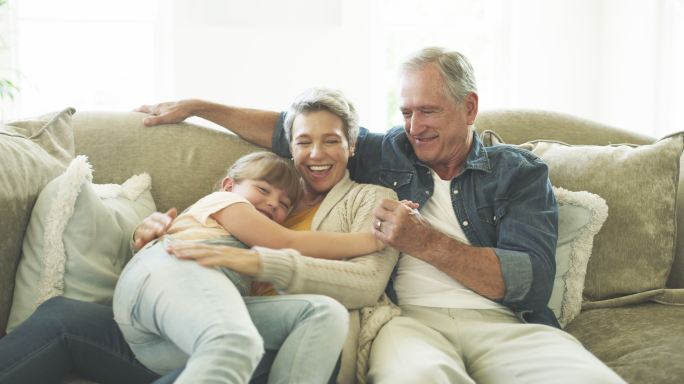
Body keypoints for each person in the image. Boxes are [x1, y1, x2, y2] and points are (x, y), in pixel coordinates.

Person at [136, 47, 627, 383]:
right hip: (406, 322)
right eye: (407, 111)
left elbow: (533, 280)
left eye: (428, 111)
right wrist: (199, 106)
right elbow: (299, 132)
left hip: (505, 324)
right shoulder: (389, 150)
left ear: (469, 107)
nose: (414, 126)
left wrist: (426, 242)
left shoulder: (518, 173)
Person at [0, 88, 399, 384]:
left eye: (332, 140)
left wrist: (376, 236)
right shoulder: (236, 204)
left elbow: (364, 283)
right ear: (289, 148)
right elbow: (280, 239)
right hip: (190, 289)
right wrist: (145, 233)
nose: (317, 154)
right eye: (304, 142)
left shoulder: (372, 202)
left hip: (238, 320)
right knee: (62, 318)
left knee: (316, 317)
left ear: (352, 144)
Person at [113, 150, 386, 383]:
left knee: (325, 314)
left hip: (178, 339)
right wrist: (372, 240)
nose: (271, 203)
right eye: (263, 190)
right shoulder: (226, 201)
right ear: (229, 186)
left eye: (283, 204)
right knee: (236, 341)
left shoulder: (252, 252)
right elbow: (287, 241)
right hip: (171, 270)